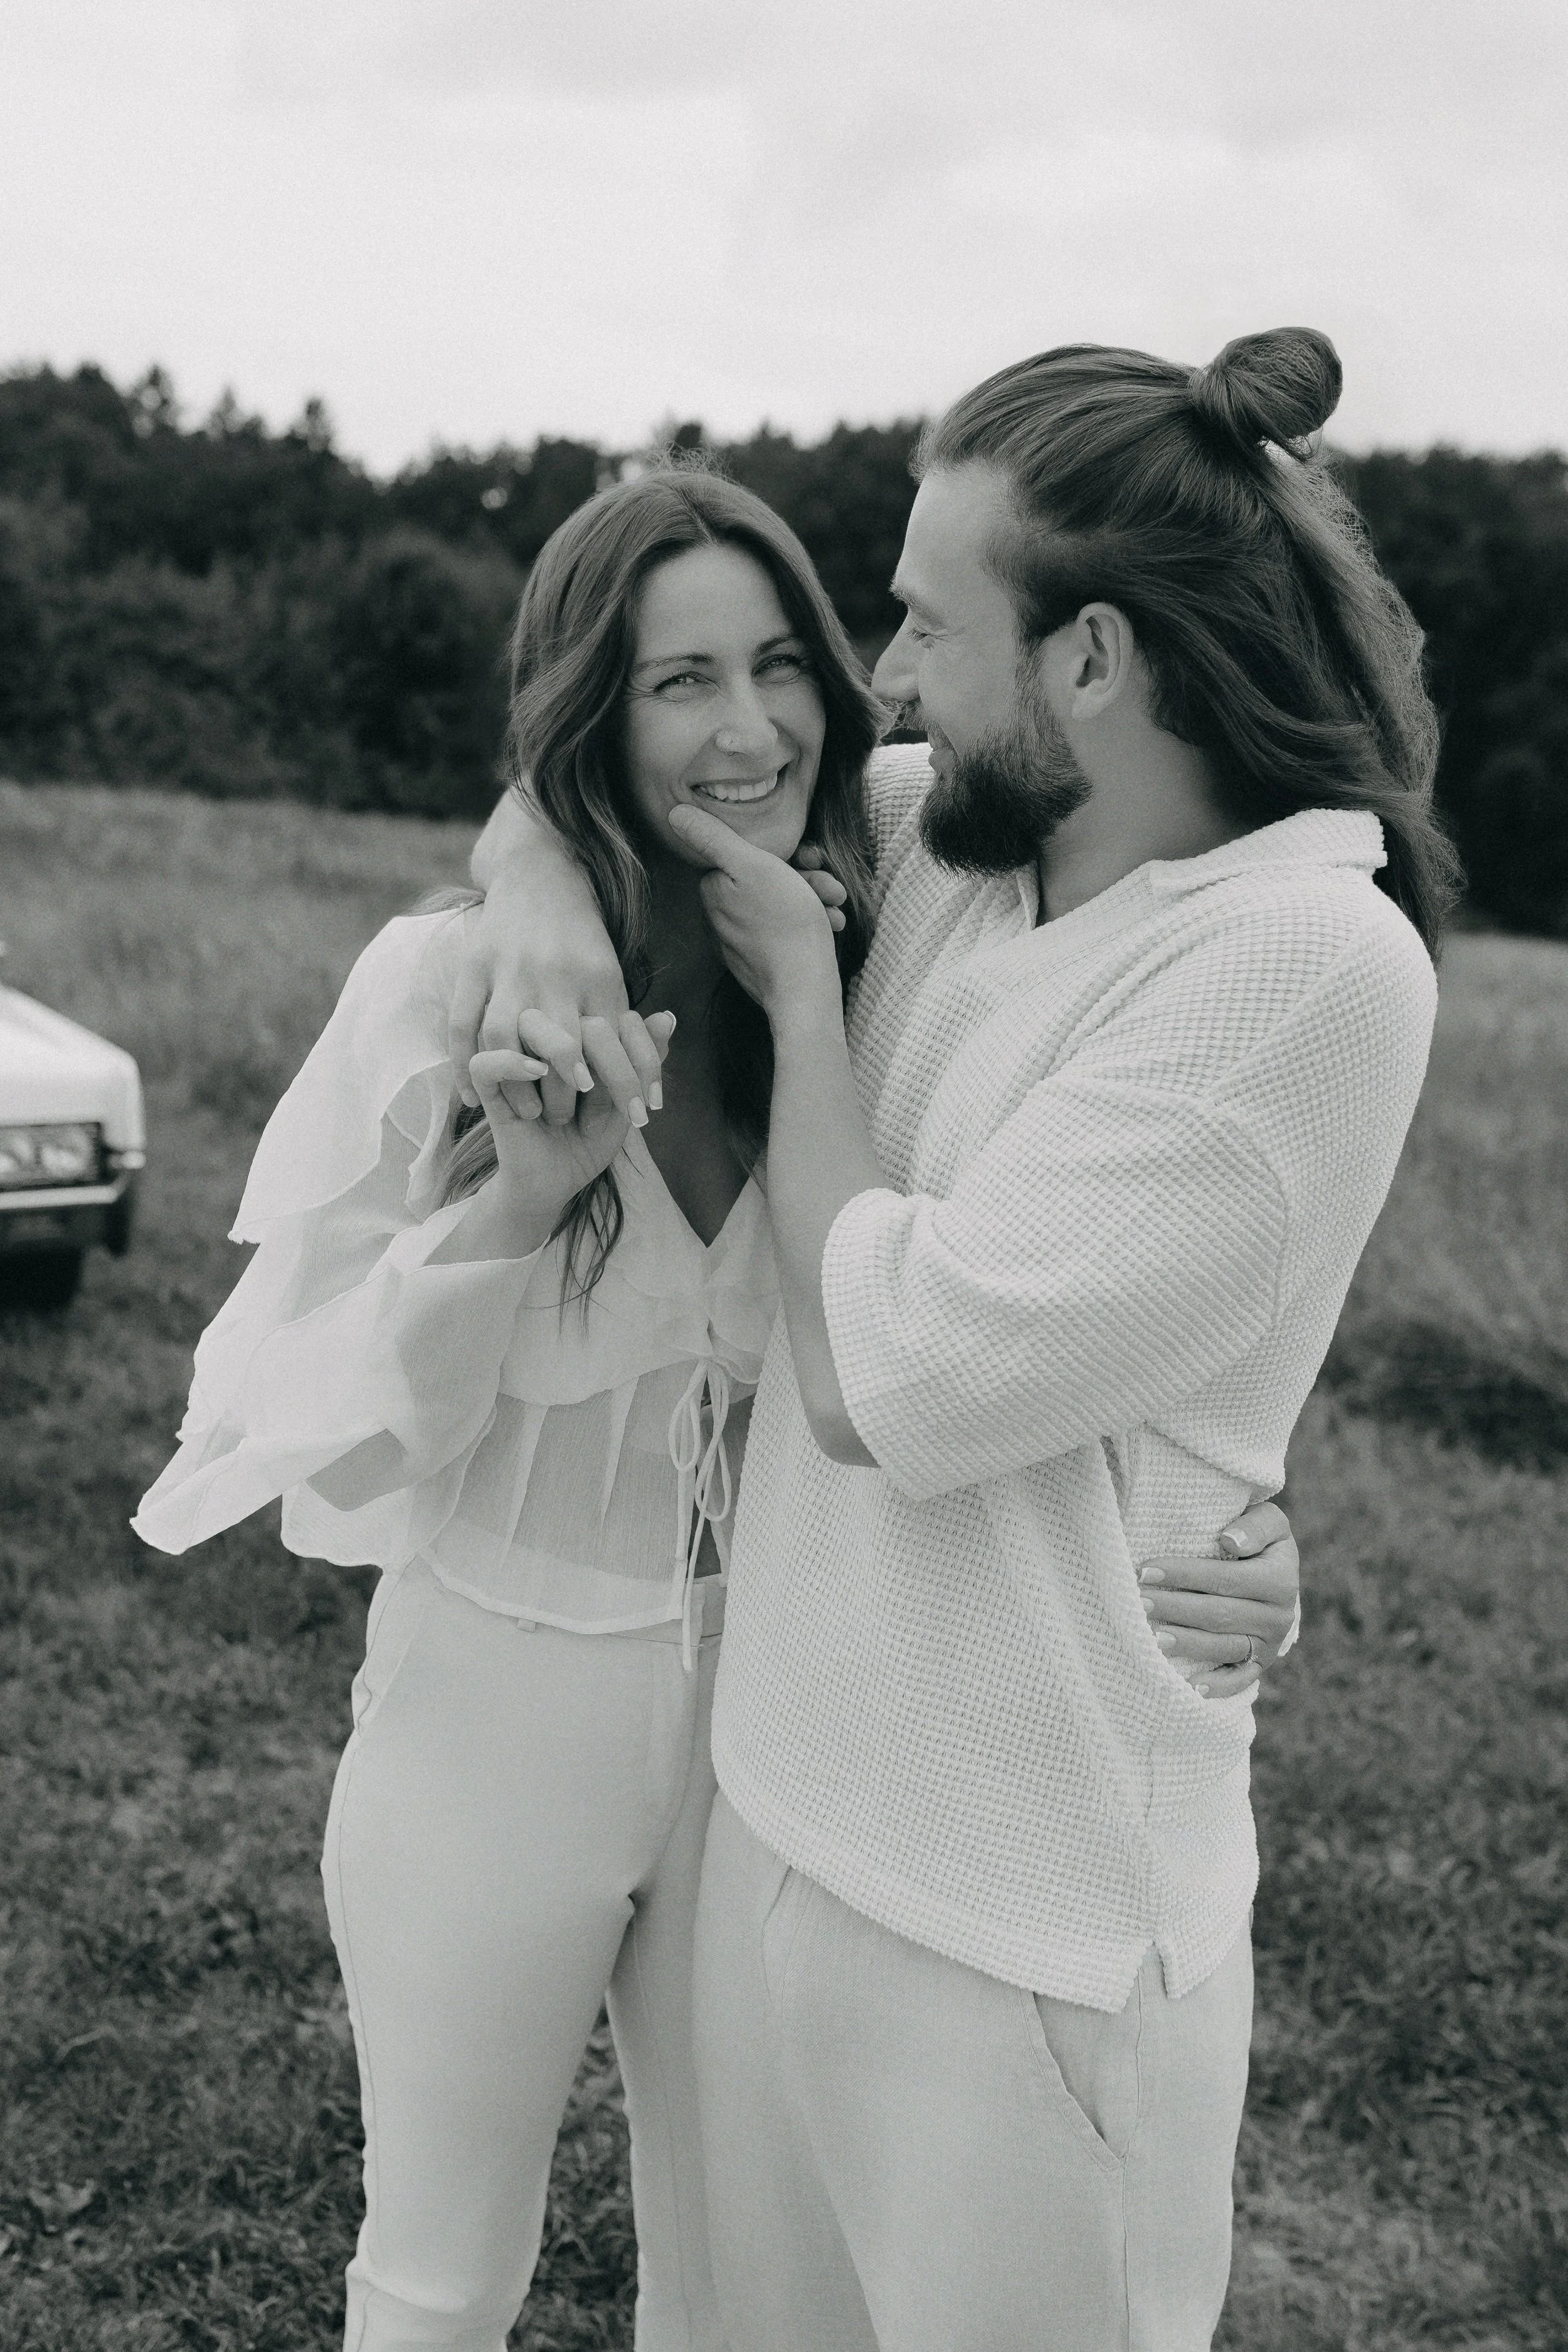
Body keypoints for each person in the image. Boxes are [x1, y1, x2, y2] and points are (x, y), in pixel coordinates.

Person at [132, 467, 1298, 2352]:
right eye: (676, 682)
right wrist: (513, 1198)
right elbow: (311, 1427)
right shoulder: (446, 986)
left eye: (780, 667)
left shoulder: (874, 950)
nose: (746, 728)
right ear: (594, 704)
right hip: (497, 1714)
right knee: (435, 2281)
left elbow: (1005, 1306)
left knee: (747, 2298)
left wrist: (1225, 1519)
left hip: (788, 1745)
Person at [453, 331, 1454, 2349]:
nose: (873, 681)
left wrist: (811, 1032)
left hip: (1028, 1928)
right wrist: (537, 887)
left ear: (1087, 659)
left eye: (919, 620)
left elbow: (883, 1376)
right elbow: (642, 771)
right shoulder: (954, 835)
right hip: (783, 1810)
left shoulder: (1297, 965)